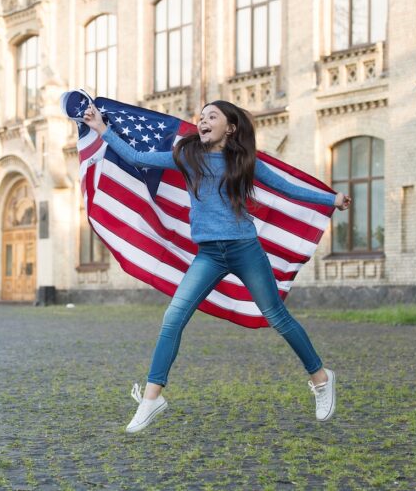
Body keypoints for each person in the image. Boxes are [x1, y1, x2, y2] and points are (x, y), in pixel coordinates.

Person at [82, 100, 351, 433]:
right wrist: (101, 128)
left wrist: (331, 199)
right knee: (173, 318)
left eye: (212, 116)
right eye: (201, 117)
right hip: (208, 255)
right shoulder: (187, 156)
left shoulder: (244, 162)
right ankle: (152, 399)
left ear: (230, 128)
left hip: (245, 249)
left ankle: (322, 379)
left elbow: (287, 188)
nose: (203, 121)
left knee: (277, 317)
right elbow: (137, 157)